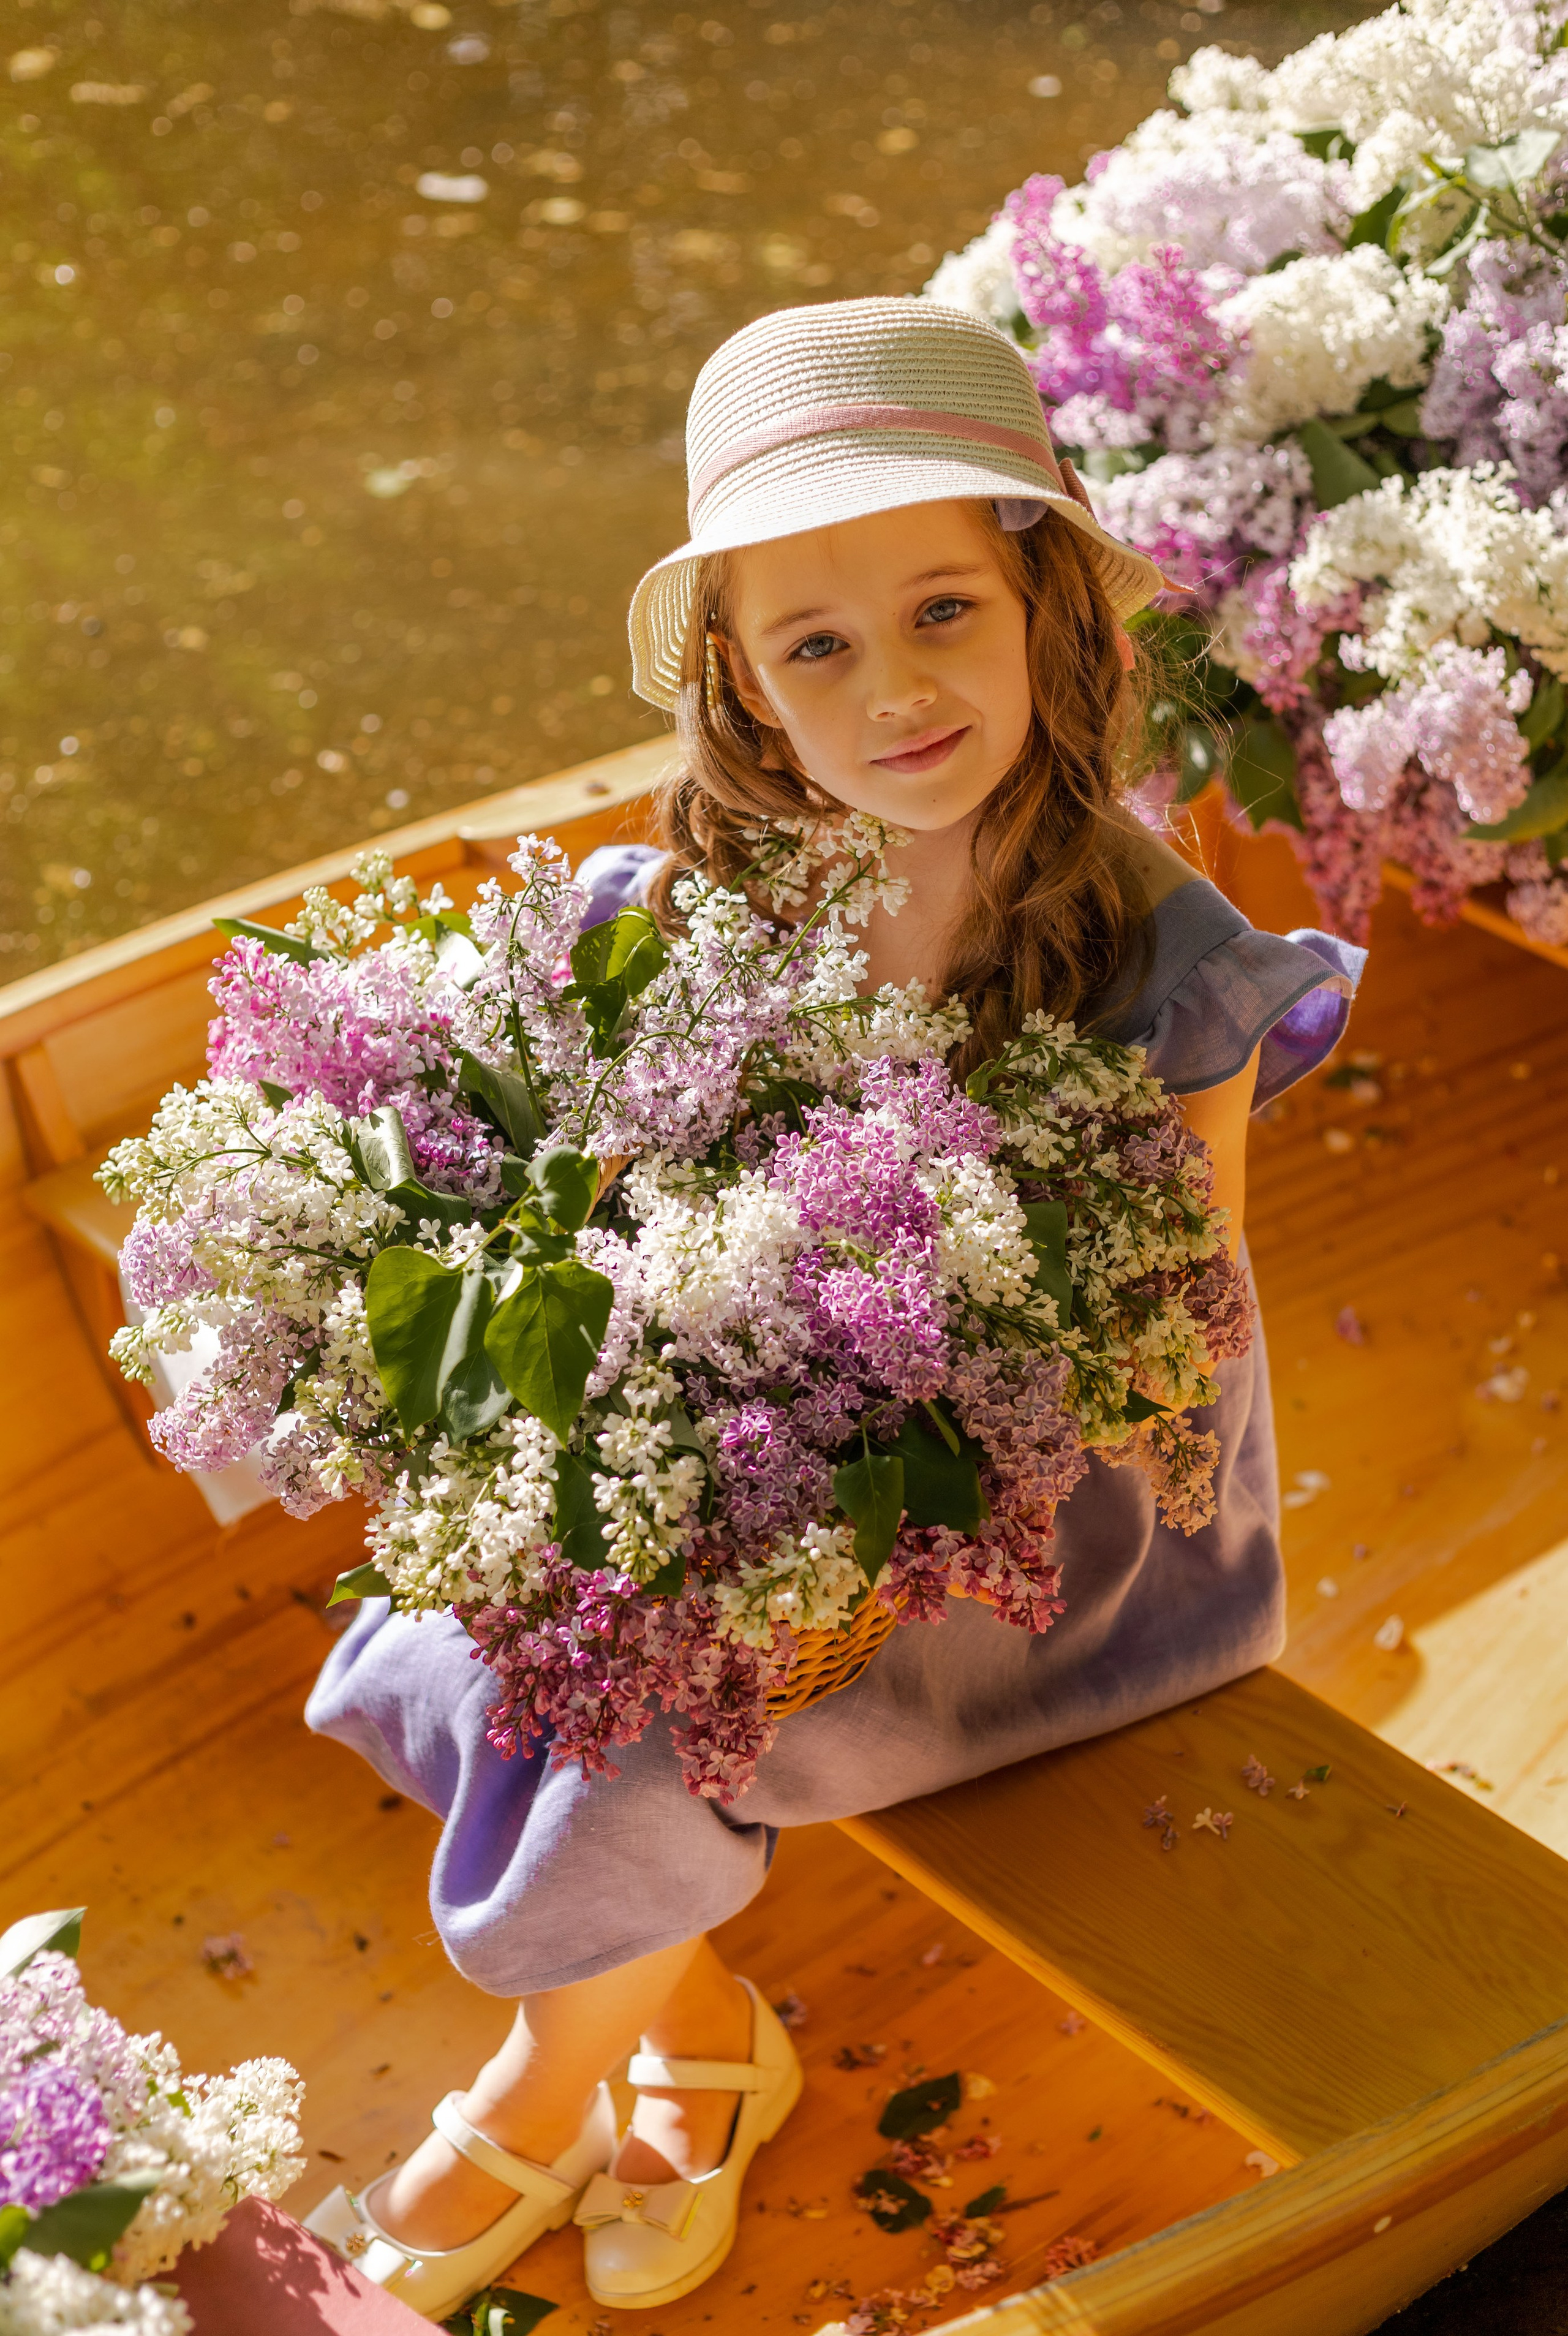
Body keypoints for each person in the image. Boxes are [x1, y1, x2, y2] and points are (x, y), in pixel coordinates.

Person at [303, 296, 1363, 2318]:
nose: (894, 691)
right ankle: (693, 2037)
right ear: (743, 682)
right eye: (820, 646)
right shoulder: (700, 905)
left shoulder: (1167, 956)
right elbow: (629, 1200)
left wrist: (829, 1481)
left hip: (1052, 1539)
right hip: (804, 1467)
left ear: (1047, 609)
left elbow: (1174, 1330)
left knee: (636, 1705)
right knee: (503, 1604)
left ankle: (542, 2091)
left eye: (944, 610)